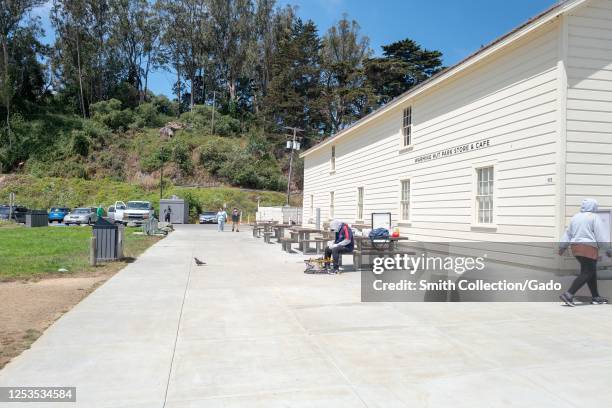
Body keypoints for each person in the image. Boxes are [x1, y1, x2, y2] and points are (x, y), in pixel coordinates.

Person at [559, 198, 611, 306]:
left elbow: (568, 233)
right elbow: (601, 235)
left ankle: (596, 297)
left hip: (576, 247)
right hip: (588, 247)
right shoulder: (594, 217)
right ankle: (568, 294)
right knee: (588, 273)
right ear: (593, 207)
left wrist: (562, 246)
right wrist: (608, 249)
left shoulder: (575, 217)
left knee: (590, 272)